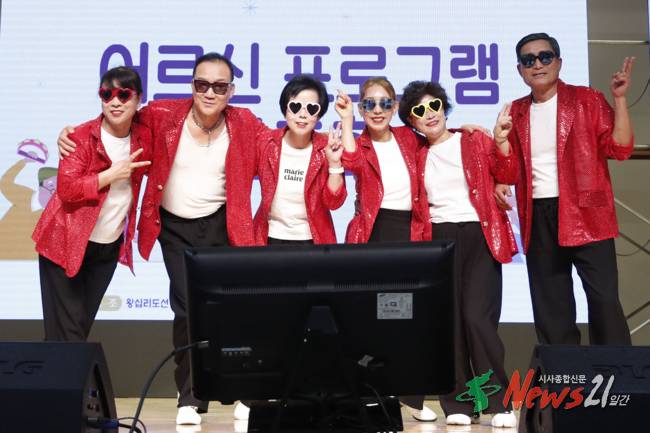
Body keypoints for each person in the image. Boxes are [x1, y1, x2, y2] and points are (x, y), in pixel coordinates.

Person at [57, 53, 267, 426]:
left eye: (219, 87)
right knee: (186, 310)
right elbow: (117, 114)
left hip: (222, 224)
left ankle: (244, 391)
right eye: (202, 84)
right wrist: (70, 135)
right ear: (192, 86)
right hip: (174, 227)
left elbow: (282, 141)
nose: (210, 93)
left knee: (234, 310)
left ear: (231, 91)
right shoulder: (163, 114)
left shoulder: (245, 122)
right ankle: (190, 397)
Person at [494, 33, 635, 347]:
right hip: (538, 215)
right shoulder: (515, 111)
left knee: (604, 300)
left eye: (545, 57)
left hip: (587, 213)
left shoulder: (587, 99)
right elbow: (509, 172)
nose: (538, 65)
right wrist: (500, 143)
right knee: (551, 306)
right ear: (519, 70)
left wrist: (620, 100)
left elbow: (620, 148)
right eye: (528, 60)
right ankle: (564, 376)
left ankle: (615, 373)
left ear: (559, 62)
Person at [400, 80, 518, 428]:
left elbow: (507, 173)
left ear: (444, 106)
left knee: (477, 319)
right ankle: (459, 404)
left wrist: (500, 140)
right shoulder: (416, 154)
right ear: (412, 122)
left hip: (479, 234)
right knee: (449, 325)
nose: (429, 114)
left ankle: (497, 402)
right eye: (419, 111)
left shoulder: (473, 139)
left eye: (434, 105)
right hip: (438, 240)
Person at [333, 77, 435, 421]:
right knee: (371, 318)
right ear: (362, 108)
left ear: (395, 107)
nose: (378, 110)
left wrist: (466, 130)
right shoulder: (359, 142)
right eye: (370, 104)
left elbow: (439, 137)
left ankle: (411, 397)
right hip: (373, 232)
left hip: (410, 231)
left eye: (385, 103)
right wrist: (347, 120)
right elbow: (350, 161)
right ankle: (370, 392)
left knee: (409, 317)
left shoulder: (409, 137)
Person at [33, 66, 151, 341]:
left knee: (78, 329)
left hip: (106, 247)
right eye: (106, 94)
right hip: (64, 242)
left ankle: (58, 369)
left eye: (124, 94)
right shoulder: (79, 137)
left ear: (138, 99)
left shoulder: (145, 135)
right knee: (68, 333)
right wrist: (109, 175)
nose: (114, 102)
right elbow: (67, 190)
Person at [254, 75, 345, 245]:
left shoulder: (326, 148)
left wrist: (334, 164)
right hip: (269, 238)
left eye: (311, 109)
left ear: (319, 115)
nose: (302, 115)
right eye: (295, 107)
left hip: (313, 241)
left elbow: (334, 203)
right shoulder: (266, 143)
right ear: (285, 110)